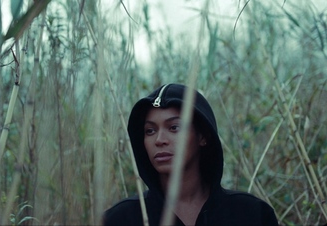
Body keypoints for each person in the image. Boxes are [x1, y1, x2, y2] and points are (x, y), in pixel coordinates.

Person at [103, 83, 279, 226]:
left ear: (202, 136)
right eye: (150, 131)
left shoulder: (251, 214)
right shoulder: (122, 219)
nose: (159, 139)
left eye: (174, 127)